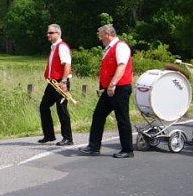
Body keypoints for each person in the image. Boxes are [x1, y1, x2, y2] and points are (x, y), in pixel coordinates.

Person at [78, 24, 134, 158]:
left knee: (122, 118)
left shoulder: (120, 46)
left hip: (119, 87)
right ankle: (94, 147)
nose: (99, 38)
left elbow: (121, 67)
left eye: (101, 35)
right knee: (98, 115)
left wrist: (112, 84)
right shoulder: (109, 48)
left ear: (108, 34)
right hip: (111, 88)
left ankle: (127, 150)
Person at [38, 23, 74, 146]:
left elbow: (67, 64)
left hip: (60, 82)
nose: (48, 34)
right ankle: (49, 135)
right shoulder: (54, 47)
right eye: (48, 32)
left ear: (58, 34)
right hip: (52, 83)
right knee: (44, 107)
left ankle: (68, 138)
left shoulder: (62, 46)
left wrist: (63, 82)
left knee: (62, 110)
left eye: (51, 32)